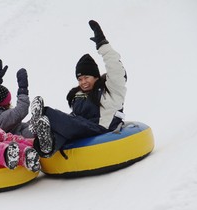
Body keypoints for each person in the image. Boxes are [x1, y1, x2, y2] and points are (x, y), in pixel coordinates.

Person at [29, 20, 127, 158]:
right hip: (83, 128)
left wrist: (102, 44)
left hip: (102, 130)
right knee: (62, 128)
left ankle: (42, 115)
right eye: (80, 79)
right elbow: (76, 120)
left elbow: (115, 68)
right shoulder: (78, 95)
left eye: (86, 77)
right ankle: (46, 147)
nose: (83, 82)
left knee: (50, 114)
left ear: (96, 76)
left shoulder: (110, 89)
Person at [0, 59, 33, 138]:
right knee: (33, 131)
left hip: (14, 128)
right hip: (16, 138)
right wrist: (23, 89)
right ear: (2, 104)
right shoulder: (0, 119)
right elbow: (21, 110)